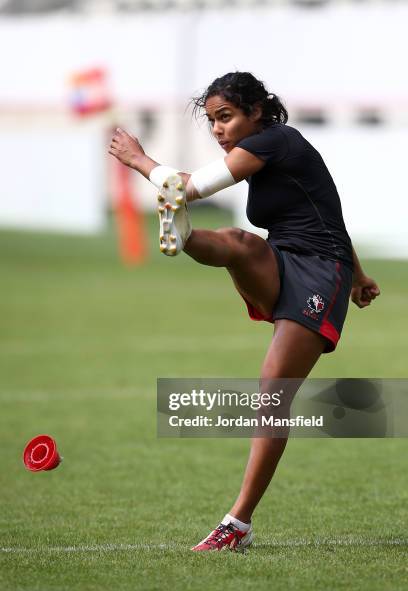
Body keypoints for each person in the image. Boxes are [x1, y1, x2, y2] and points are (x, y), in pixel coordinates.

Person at [109, 71, 380, 553]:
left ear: (258, 111)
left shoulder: (277, 141)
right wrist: (362, 274)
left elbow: (189, 186)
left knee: (272, 396)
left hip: (320, 274)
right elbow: (328, 211)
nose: (217, 129)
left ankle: (238, 523)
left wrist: (138, 159)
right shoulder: (267, 152)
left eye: (226, 117)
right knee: (238, 242)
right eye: (212, 121)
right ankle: (185, 236)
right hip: (284, 261)